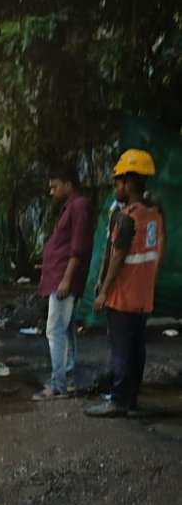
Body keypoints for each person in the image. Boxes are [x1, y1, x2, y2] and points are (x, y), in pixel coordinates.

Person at [87, 149, 164, 417]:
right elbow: (157, 254)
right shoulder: (154, 214)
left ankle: (118, 400)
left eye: (118, 182)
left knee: (121, 348)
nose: (116, 187)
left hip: (124, 295)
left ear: (130, 183)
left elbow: (118, 257)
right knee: (136, 348)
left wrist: (103, 291)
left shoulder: (127, 216)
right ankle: (131, 397)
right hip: (143, 295)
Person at [34, 163, 93, 400]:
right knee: (66, 330)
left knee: (55, 330)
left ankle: (58, 384)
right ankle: (66, 379)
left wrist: (66, 279)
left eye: (55, 187)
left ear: (68, 184)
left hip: (63, 280)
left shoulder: (79, 206)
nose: (52, 192)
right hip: (60, 279)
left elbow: (78, 249)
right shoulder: (73, 207)